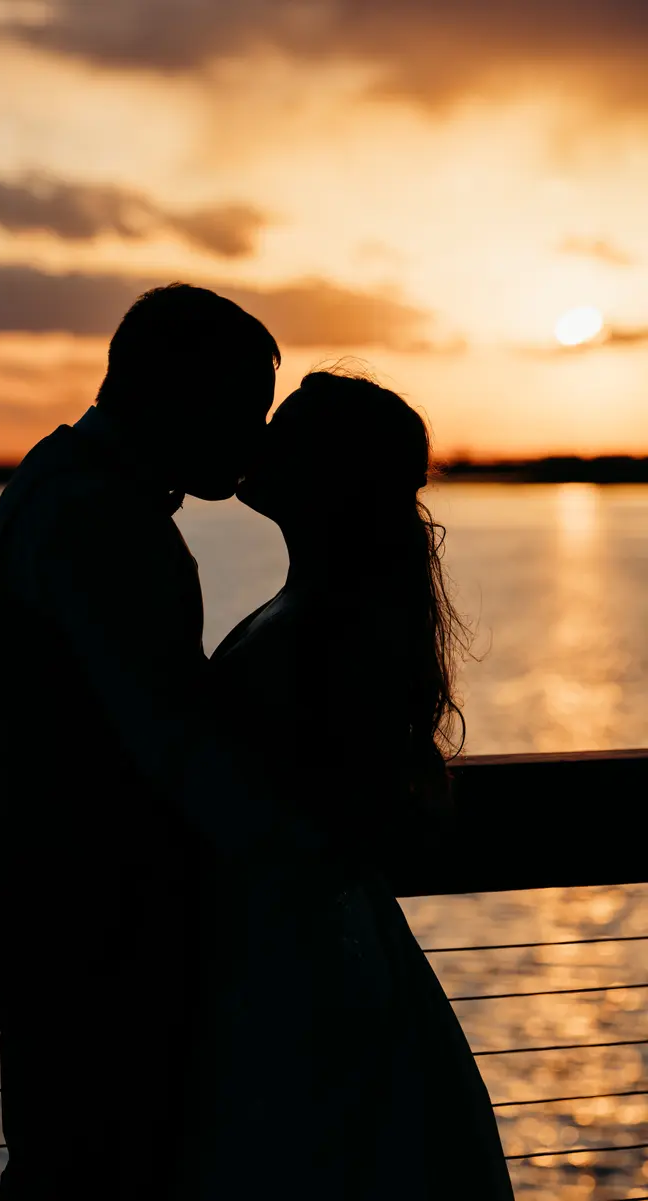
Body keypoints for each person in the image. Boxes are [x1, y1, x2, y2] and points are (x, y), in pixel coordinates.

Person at [0, 284, 337, 1200]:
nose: (254, 438)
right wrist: (302, 856)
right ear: (178, 395)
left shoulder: (61, 484)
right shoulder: (97, 518)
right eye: (243, 409)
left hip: (58, 908)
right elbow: (167, 738)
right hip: (87, 924)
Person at [186, 369, 516, 1199]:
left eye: (284, 429)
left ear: (325, 472)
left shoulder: (328, 625)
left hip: (299, 957)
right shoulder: (320, 605)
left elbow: (331, 805)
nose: (259, 438)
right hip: (303, 940)